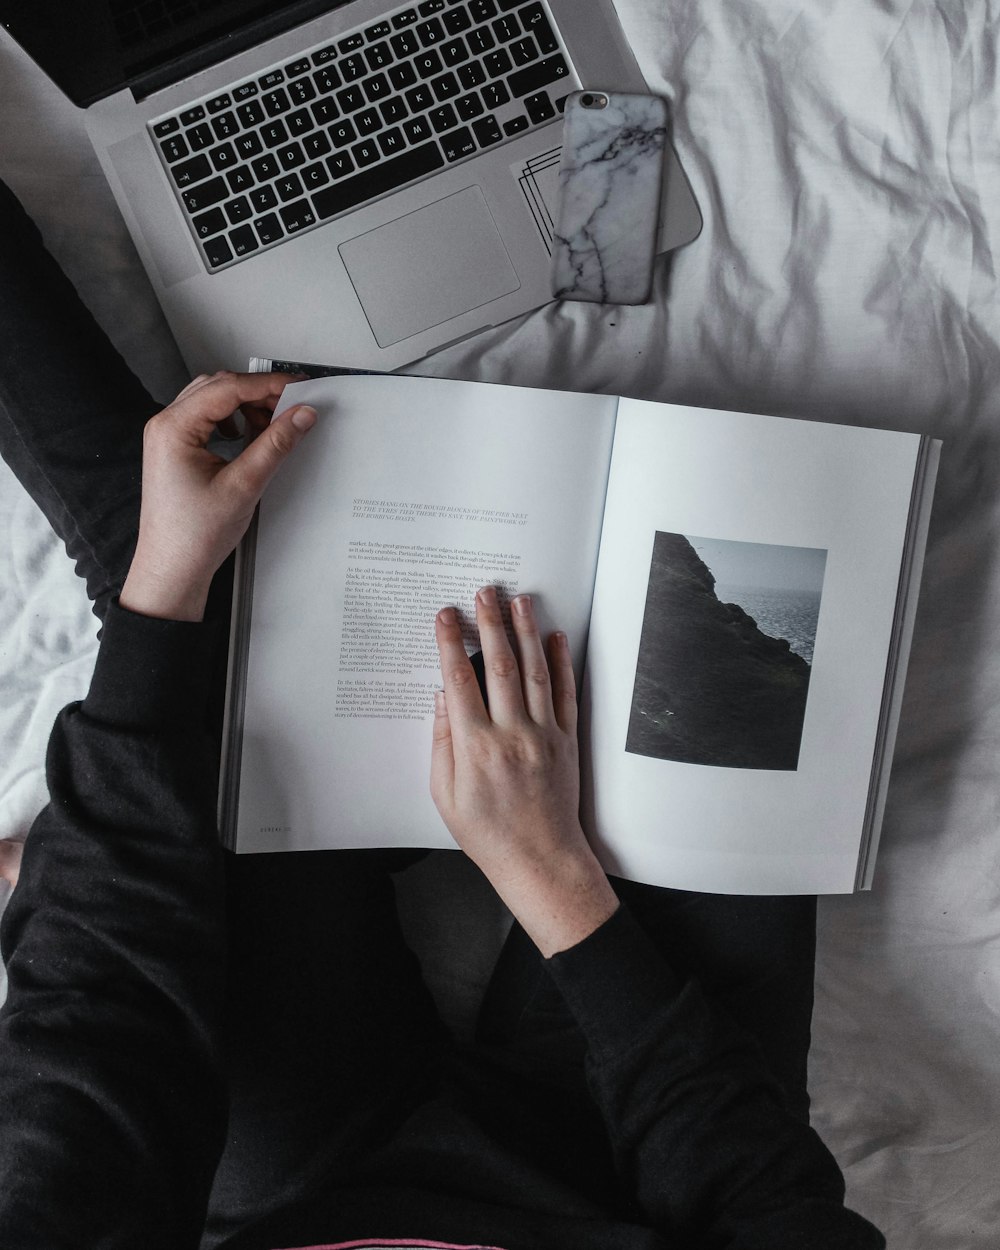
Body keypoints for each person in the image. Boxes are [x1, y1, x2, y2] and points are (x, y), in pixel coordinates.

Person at [0, 176, 885, 1249]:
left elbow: (100, 1036)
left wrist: (161, 593)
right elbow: (767, 1201)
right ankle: (70, 864)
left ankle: (64, 867)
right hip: (614, 1176)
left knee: (201, 581)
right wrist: (551, 877)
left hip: (304, 1175)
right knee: (750, 689)